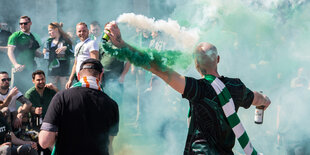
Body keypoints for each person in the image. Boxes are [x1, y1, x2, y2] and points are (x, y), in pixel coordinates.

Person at [104, 22, 271, 154]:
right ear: (218, 59)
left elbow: (156, 67)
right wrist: (264, 101)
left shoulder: (196, 88)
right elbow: (258, 98)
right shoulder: (236, 87)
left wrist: (122, 45)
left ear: (196, 63)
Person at [39, 58, 119, 155]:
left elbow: (44, 141)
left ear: (78, 75)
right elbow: (109, 145)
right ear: (100, 76)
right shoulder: (112, 105)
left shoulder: (62, 97)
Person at [7, 16, 41, 93]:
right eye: (21, 23)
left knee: (30, 91)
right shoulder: (15, 35)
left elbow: (35, 52)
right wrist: (16, 64)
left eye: (25, 23)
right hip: (19, 69)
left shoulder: (33, 36)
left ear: (30, 23)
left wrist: (45, 55)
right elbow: (10, 51)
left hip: (31, 69)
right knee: (16, 92)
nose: (22, 25)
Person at [65, 22, 99, 89]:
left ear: (88, 31)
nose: (82, 33)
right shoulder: (78, 45)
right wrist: (70, 80)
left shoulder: (92, 43)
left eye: (84, 31)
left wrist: (93, 78)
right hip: (79, 78)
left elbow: (95, 62)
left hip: (89, 79)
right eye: (79, 31)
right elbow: (75, 64)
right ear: (76, 33)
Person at [43, 22, 73, 90]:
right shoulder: (48, 41)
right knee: (52, 87)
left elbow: (73, 53)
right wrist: (45, 52)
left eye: (50, 30)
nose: (49, 32)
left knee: (64, 87)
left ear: (56, 29)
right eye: (48, 31)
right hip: (52, 67)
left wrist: (66, 48)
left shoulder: (65, 40)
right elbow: (45, 55)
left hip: (64, 67)